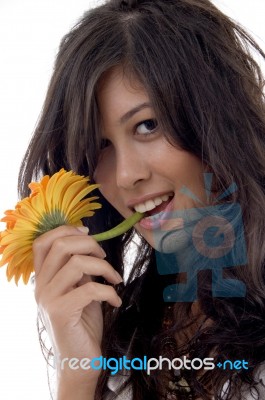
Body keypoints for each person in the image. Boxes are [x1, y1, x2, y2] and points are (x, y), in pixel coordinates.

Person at [18, 0, 265, 399]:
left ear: (217, 119)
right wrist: (79, 373)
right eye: (100, 145)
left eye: (147, 125)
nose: (124, 175)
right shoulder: (126, 331)